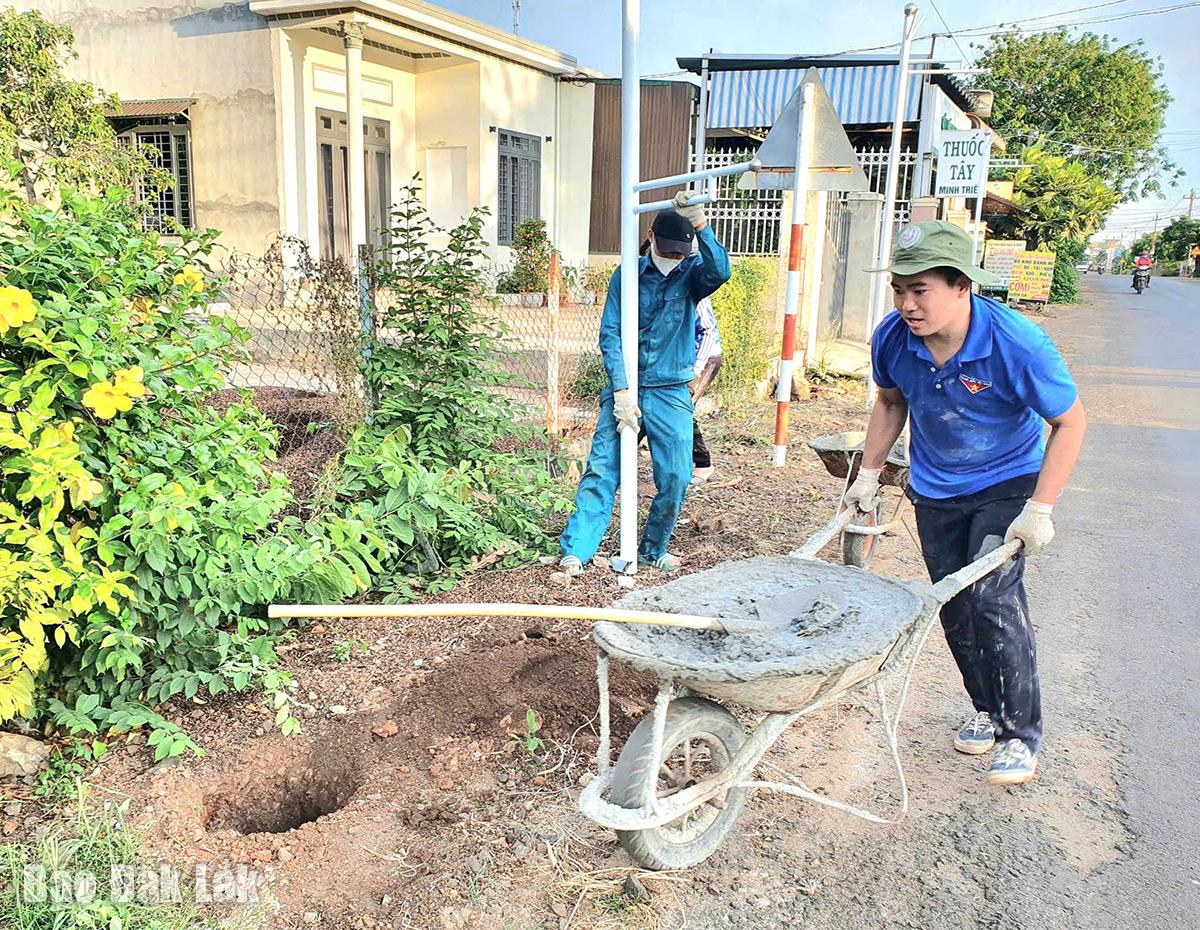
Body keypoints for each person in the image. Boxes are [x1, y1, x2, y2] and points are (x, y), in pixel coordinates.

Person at [845, 221, 1087, 786]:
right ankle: (984, 706)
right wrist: (868, 473)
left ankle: (1019, 734)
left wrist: (1041, 508)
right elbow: (890, 402)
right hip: (936, 488)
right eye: (898, 290)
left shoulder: (1017, 344)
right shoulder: (892, 338)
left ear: (962, 286)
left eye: (919, 290)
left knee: (992, 600)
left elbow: (1070, 422)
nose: (906, 304)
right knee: (952, 605)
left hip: (1007, 482)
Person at [557, 192, 730, 576]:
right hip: (628, 387)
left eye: (679, 253)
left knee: (677, 474)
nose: (671, 258)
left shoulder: (692, 273)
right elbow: (611, 332)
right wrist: (620, 390)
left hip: (671, 390)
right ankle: (577, 551)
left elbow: (721, 272)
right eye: (666, 250)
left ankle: (653, 548)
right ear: (650, 237)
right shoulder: (628, 274)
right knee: (602, 469)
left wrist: (701, 224)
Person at [689, 295, 722, 484]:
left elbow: (708, 330)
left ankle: (703, 463)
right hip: (683, 360)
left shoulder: (696, 288)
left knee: (683, 408)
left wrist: (697, 367)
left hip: (705, 359)